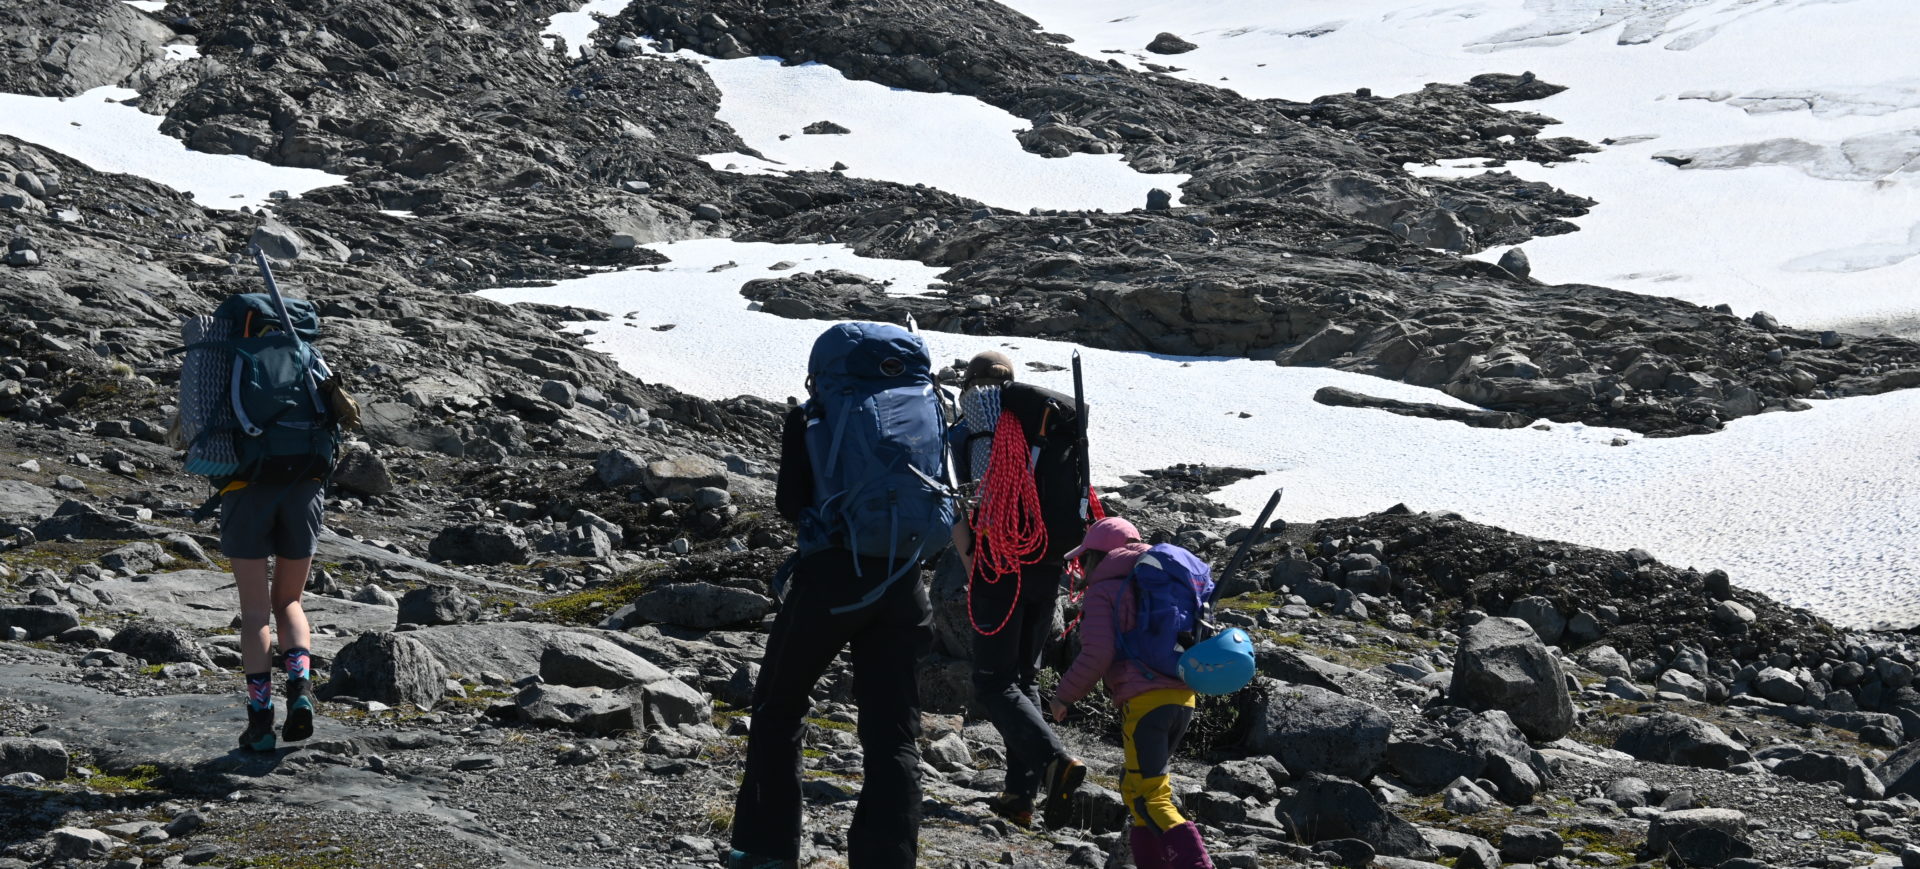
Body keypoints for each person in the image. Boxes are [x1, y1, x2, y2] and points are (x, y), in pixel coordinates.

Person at [730, 323, 955, 869]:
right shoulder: (928, 406)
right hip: (905, 584)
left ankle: (767, 849)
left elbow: (790, 502)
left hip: (831, 579)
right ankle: (888, 859)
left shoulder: (814, 415)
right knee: (893, 727)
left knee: (779, 707)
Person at [951, 350, 1087, 829]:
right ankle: (1019, 797)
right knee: (1024, 680)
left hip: (1000, 559)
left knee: (992, 681)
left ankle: (1054, 761)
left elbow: (972, 498)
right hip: (1046, 562)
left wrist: (970, 555)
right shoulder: (1046, 425)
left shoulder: (979, 417)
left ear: (971, 381)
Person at [1050, 517, 1214, 869]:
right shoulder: (1166, 579)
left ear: (1096, 556)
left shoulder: (1105, 591)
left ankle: (1197, 865)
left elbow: (1097, 654)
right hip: (1183, 698)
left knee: (1150, 797)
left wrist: (1064, 696)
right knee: (1136, 790)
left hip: (1145, 705)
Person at [224, 480, 323, 752]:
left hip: (244, 488)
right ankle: (300, 689)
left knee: (255, 612)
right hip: (304, 489)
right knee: (290, 600)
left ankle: (261, 723)